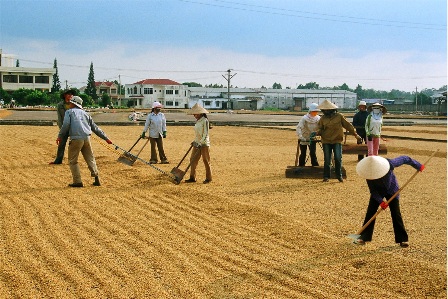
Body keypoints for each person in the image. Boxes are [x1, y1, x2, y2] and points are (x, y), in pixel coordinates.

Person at [354, 155, 425, 247]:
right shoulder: (369, 174)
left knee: (396, 213)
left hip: (392, 190)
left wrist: (418, 165)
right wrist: (380, 201)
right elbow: (373, 191)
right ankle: (363, 237)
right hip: (378, 192)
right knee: (370, 212)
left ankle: (402, 239)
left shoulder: (389, 164)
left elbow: (405, 159)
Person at [57, 96, 112, 187]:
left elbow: (65, 125)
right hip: (87, 139)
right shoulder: (86, 114)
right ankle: (96, 178)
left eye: (70, 103)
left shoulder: (69, 112)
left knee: (72, 161)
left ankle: (77, 181)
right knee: (90, 158)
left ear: (73, 103)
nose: (69, 104)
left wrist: (60, 136)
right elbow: (95, 128)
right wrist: (106, 138)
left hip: (75, 139)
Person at [316, 100, 362, 182]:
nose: (325, 111)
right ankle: (326, 176)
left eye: (326, 110)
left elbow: (348, 126)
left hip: (337, 140)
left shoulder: (339, 116)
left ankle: (339, 176)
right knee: (327, 159)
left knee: (337, 158)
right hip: (326, 141)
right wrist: (316, 133)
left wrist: (356, 135)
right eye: (324, 110)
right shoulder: (323, 118)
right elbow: (320, 129)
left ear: (331, 109)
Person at [184, 103, 212, 184]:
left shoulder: (205, 121)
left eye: (195, 113)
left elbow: (205, 134)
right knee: (192, 160)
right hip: (197, 143)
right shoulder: (198, 121)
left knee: (206, 160)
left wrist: (201, 143)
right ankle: (192, 177)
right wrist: (195, 141)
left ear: (200, 113)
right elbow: (197, 134)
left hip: (204, 144)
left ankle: (209, 178)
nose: (194, 115)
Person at [50, 89, 77, 164]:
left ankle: (73, 160)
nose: (70, 96)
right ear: (65, 95)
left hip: (74, 127)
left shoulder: (75, 104)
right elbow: (60, 118)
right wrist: (62, 129)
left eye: (71, 94)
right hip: (64, 127)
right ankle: (58, 160)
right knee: (61, 144)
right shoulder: (60, 105)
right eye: (68, 94)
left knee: (75, 144)